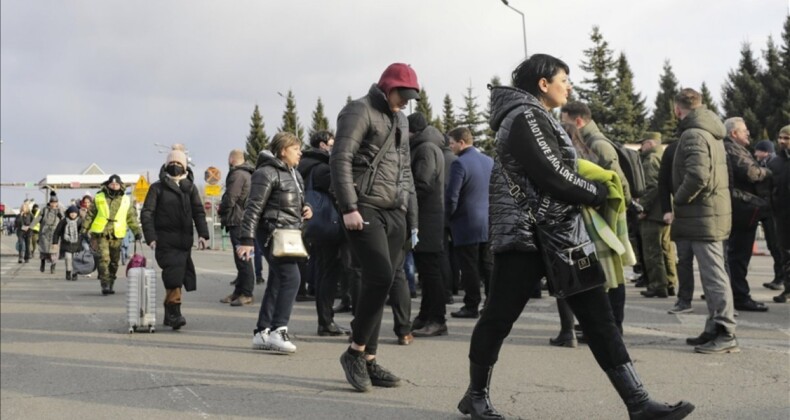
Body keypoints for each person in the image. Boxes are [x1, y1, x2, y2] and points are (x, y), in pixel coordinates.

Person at [459, 54, 693, 420]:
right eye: (563, 79)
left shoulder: (536, 116)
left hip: (559, 235)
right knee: (498, 317)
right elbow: (553, 173)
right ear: (543, 84)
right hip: (526, 237)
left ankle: (638, 402)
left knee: (598, 317)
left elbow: (555, 170)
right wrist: (596, 194)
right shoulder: (524, 116)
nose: (568, 86)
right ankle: (475, 395)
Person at [331, 62, 419, 392]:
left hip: (394, 210)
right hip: (364, 205)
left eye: (410, 98)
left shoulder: (400, 118)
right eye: (402, 95)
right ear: (387, 87)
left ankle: (369, 359)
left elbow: (405, 171)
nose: (405, 102)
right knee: (380, 275)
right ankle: (354, 352)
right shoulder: (358, 110)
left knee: (382, 283)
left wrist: (411, 216)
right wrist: (349, 206)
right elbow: (340, 158)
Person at [670, 88, 738, 354]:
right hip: (711, 214)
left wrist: (679, 200)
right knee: (714, 274)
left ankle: (725, 331)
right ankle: (713, 327)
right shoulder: (710, 131)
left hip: (703, 216)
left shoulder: (693, 134)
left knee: (713, 276)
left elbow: (698, 176)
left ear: (678, 109)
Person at [237, 132, 313, 354]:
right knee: (292, 278)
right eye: (295, 148)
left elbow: (294, 203)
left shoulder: (295, 175)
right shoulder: (265, 173)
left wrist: (306, 208)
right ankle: (279, 330)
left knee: (278, 281)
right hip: (272, 233)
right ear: (282, 151)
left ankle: (262, 332)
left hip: (290, 233)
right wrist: (247, 240)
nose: (300, 152)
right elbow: (253, 208)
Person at [141, 150, 210, 330]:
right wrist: (151, 237)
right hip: (164, 240)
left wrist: (203, 234)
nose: (175, 166)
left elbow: (199, 212)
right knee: (174, 275)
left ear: (185, 166)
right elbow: (147, 213)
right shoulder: (157, 188)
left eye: (179, 163)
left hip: (184, 241)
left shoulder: (190, 188)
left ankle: (169, 312)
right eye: (172, 162)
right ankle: (174, 313)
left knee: (178, 276)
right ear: (166, 165)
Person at [297, 130, 350, 336]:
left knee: (322, 272)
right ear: (322, 146)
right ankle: (326, 322)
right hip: (329, 228)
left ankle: (325, 320)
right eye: (331, 143)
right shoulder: (321, 169)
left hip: (316, 228)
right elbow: (340, 190)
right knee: (329, 274)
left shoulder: (307, 166)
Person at [723, 117, 772, 312]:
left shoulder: (732, 148)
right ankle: (740, 296)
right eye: (744, 131)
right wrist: (767, 172)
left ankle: (735, 294)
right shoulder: (732, 149)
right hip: (742, 208)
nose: (748, 134)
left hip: (740, 206)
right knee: (739, 255)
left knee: (734, 255)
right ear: (734, 133)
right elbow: (751, 173)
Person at [406, 112, 448, 337]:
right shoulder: (428, 147)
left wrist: (402, 196)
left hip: (427, 218)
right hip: (428, 217)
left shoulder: (425, 149)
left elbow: (423, 184)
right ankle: (425, 315)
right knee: (426, 269)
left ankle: (437, 318)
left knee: (431, 271)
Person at [446, 126, 494, 319]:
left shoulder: (460, 164)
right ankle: (491, 304)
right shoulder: (489, 161)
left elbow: (452, 197)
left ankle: (471, 305)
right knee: (488, 265)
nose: (450, 148)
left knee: (469, 268)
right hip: (488, 222)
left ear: (461, 143)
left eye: (452, 143)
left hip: (466, 223)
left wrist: (448, 218)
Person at [83, 174, 143, 295]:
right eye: (112, 184)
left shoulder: (126, 199)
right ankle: (104, 284)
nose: (114, 186)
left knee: (114, 261)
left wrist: (137, 231)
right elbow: (91, 214)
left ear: (120, 185)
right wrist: (84, 229)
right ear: (108, 184)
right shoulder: (99, 196)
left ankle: (111, 282)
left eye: (116, 184)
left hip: (117, 233)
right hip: (102, 232)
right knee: (104, 258)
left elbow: (131, 217)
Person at [638, 132, 678, 298]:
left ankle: (657, 285)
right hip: (665, 210)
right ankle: (670, 282)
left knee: (652, 250)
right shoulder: (664, 156)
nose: (641, 147)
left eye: (643, 144)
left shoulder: (651, 160)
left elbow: (652, 186)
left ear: (650, 143)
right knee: (666, 249)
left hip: (653, 212)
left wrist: (642, 208)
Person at [218, 149, 256, 307]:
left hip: (238, 220)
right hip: (241, 219)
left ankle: (246, 293)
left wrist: (222, 210)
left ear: (231, 159)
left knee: (243, 259)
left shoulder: (237, 175)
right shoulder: (246, 173)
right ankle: (238, 291)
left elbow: (230, 198)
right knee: (241, 258)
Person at [754, 140, 785, 291]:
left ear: (766, 151)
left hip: (773, 211)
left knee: (777, 246)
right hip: (768, 210)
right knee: (774, 246)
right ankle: (779, 277)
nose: (755, 154)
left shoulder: (772, 165)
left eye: (758, 151)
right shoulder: (767, 164)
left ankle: (781, 279)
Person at [768, 126, 790, 303]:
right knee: (785, 253)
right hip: (782, 216)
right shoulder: (774, 163)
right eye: (780, 138)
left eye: (787, 138)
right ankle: (788, 289)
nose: (782, 141)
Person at [31, 194, 64, 274]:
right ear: (49, 203)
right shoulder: (44, 210)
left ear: (57, 203)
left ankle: (53, 266)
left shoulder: (60, 210)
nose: (53, 204)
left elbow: (63, 220)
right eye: (52, 202)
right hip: (44, 233)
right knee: (43, 251)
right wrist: (31, 227)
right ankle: (42, 263)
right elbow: (37, 218)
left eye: (55, 202)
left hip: (55, 233)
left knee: (54, 252)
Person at [53, 206, 83, 281]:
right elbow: (57, 232)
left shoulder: (80, 221)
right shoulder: (64, 221)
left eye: (75, 213)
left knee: (76, 260)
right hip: (66, 244)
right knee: (68, 258)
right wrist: (55, 242)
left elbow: (85, 232)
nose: (73, 214)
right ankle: (68, 272)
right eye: (71, 213)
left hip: (77, 245)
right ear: (68, 213)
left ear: (77, 213)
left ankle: (75, 273)